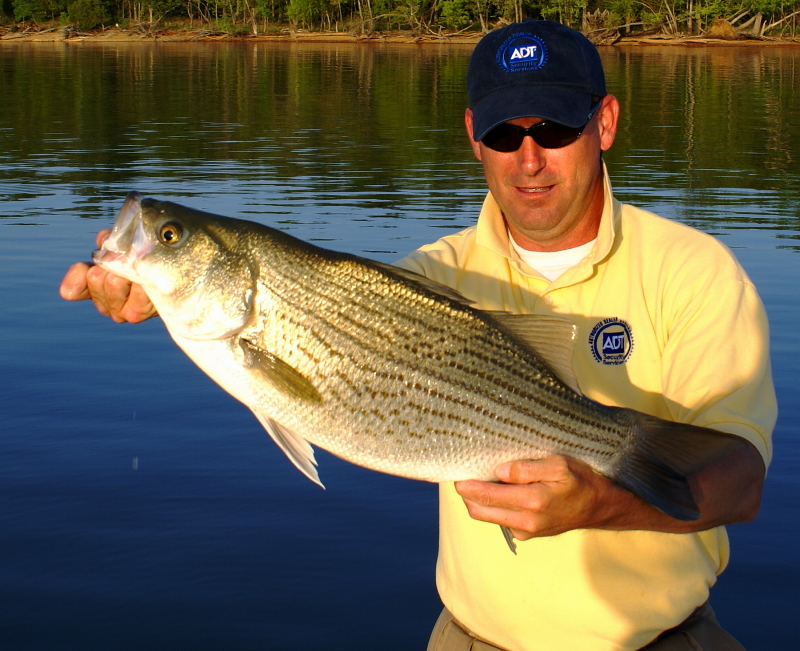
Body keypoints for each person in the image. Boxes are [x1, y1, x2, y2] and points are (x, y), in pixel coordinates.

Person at [61, 20, 776, 651]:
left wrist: (607, 500)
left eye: (554, 127)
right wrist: (154, 290)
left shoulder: (696, 271)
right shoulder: (429, 275)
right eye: (504, 133)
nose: (529, 158)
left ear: (605, 122)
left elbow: (741, 483)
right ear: (473, 136)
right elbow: (294, 338)